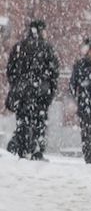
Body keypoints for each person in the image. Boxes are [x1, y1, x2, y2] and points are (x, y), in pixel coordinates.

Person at [4, 19, 59, 161]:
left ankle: (21, 149)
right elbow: (54, 72)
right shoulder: (47, 49)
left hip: (22, 94)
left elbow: (10, 70)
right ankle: (36, 151)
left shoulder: (19, 47)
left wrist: (17, 85)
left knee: (23, 121)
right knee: (39, 123)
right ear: (41, 31)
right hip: (41, 94)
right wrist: (49, 90)